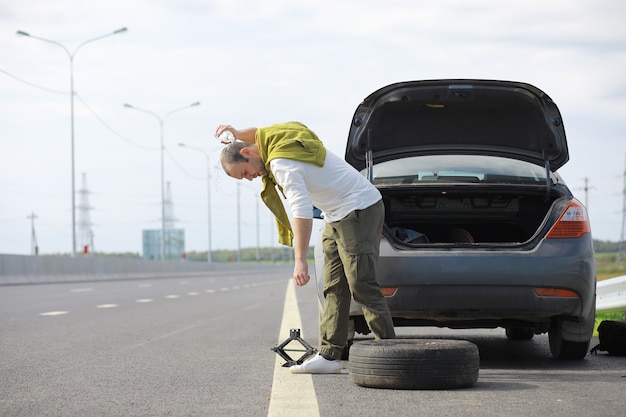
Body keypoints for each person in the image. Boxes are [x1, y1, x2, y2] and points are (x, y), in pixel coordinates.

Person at [215, 121, 395, 374]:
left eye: (244, 173)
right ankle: (330, 356)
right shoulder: (272, 140)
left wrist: (300, 259)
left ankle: (391, 354)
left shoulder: (281, 164)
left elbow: (300, 211)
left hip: (359, 207)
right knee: (333, 286)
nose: (249, 178)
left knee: (361, 284)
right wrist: (236, 133)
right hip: (335, 213)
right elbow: (256, 133)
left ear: (247, 153)